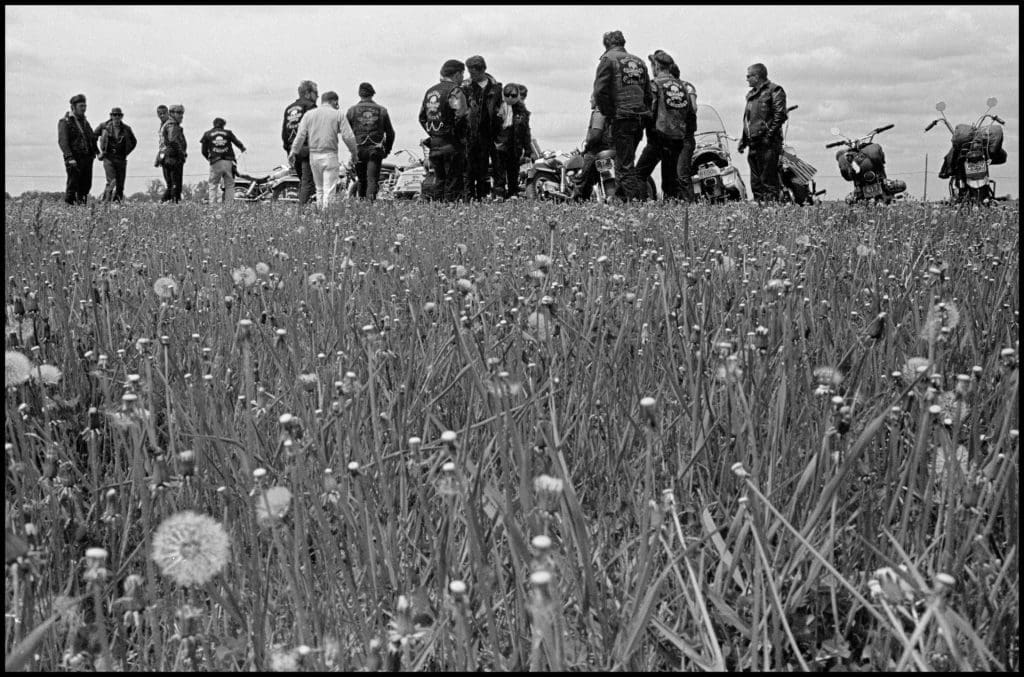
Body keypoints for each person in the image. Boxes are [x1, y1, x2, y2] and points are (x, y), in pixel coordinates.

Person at [592, 30, 652, 201]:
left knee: (624, 166)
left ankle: (633, 204)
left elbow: (600, 91)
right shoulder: (639, 62)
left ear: (606, 45)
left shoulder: (608, 59)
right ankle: (622, 200)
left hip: (621, 117)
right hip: (639, 119)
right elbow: (648, 94)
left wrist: (609, 113)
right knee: (626, 161)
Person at [636, 50, 697, 201]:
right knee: (670, 181)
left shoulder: (655, 85)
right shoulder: (683, 86)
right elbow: (691, 114)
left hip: (658, 137)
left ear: (656, 66)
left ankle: (638, 207)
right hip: (677, 138)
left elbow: (649, 110)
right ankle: (674, 211)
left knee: (638, 175)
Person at [288, 90, 357, 210]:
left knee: (319, 189)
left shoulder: (309, 115)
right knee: (329, 190)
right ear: (334, 101)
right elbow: (348, 136)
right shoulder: (338, 114)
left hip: (314, 156)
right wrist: (354, 153)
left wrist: (293, 152)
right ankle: (327, 219)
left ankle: (319, 215)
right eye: (337, 104)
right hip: (330, 155)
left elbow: (300, 135)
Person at [419, 59, 469, 202]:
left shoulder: (430, 92)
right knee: (454, 182)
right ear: (457, 74)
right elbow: (461, 114)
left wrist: (434, 133)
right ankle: (451, 213)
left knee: (440, 181)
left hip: (435, 145)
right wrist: (457, 135)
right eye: (462, 74)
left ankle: (438, 212)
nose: (462, 78)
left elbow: (422, 117)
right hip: (452, 145)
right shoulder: (455, 91)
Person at [737, 62, 787, 202]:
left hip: (768, 144)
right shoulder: (751, 95)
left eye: (749, 76)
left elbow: (780, 115)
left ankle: (772, 210)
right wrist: (744, 140)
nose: (747, 79)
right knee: (756, 182)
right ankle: (759, 213)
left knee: (768, 181)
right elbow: (748, 120)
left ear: (757, 76)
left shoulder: (775, 90)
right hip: (754, 144)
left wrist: (769, 136)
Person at [461, 55, 502, 200]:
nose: (471, 75)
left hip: (489, 135)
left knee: (485, 170)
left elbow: (502, 112)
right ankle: (469, 198)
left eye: (473, 72)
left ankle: (482, 197)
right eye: (469, 72)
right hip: (469, 134)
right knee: (468, 170)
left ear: (482, 69)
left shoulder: (497, 89)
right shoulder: (465, 88)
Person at [345, 82, 395, 200]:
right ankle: (370, 205)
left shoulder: (352, 111)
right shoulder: (382, 110)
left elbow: (346, 133)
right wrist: (387, 150)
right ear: (372, 94)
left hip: (358, 150)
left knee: (361, 180)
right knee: (372, 179)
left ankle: (362, 205)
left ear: (359, 94)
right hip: (375, 150)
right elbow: (391, 133)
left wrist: (351, 150)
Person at [493, 83, 536, 199]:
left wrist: (528, 150)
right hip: (499, 145)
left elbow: (526, 132)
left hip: (515, 146)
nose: (510, 98)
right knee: (499, 172)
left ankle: (513, 193)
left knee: (513, 172)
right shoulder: (497, 107)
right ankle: (499, 194)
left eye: (513, 95)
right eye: (508, 95)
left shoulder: (522, 111)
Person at [57, 94, 99, 205]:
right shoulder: (65, 122)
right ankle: (69, 211)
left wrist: (97, 152)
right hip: (74, 159)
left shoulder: (85, 122)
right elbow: (63, 142)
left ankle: (81, 212)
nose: (84, 108)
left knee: (86, 187)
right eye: (81, 106)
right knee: (73, 186)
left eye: (85, 106)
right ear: (73, 107)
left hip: (87, 159)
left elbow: (92, 138)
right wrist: (69, 157)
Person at [282, 80, 319, 206]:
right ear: (308, 93)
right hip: (307, 149)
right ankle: (303, 212)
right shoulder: (310, 107)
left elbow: (284, 133)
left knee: (304, 182)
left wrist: (289, 151)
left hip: (293, 150)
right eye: (316, 93)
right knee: (308, 182)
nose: (318, 96)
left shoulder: (289, 109)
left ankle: (309, 209)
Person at [573, 96, 614, 200]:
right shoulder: (608, 111)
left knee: (583, 178)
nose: (590, 100)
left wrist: (587, 147)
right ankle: (612, 199)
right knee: (605, 174)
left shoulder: (599, 112)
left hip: (595, 151)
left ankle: (577, 201)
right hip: (605, 149)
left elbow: (596, 134)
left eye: (592, 98)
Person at [95, 107, 138, 202]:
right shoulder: (104, 126)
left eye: (119, 115)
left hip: (121, 158)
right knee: (112, 181)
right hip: (108, 157)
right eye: (114, 115)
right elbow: (92, 138)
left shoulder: (127, 129)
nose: (117, 117)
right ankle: (105, 202)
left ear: (122, 116)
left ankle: (117, 205)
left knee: (120, 185)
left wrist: (126, 152)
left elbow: (134, 142)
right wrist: (98, 153)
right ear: (111, 116)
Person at [200, 117, 246, 205]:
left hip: (215, 161)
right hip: (228, 161)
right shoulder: (228, 133)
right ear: (223, 125)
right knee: (229, 184)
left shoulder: (207, 134)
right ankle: (229, 205)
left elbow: (203, 151)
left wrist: (209, 158)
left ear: (214, 124)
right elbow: (237, 142)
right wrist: (242, 148)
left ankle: (213, 205)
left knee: (213, 184)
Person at [159, 104, 187, 203]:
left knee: (171, 186)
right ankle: (174, 204)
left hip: (166, 157)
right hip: (173, 158)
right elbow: (172, 140)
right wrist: (182, 154)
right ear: (171, 113)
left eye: (182, 113)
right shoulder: (172, 125)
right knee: (176, 185)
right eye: (179, 113)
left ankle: (164, 204)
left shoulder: (166, 124)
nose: (181, 116)